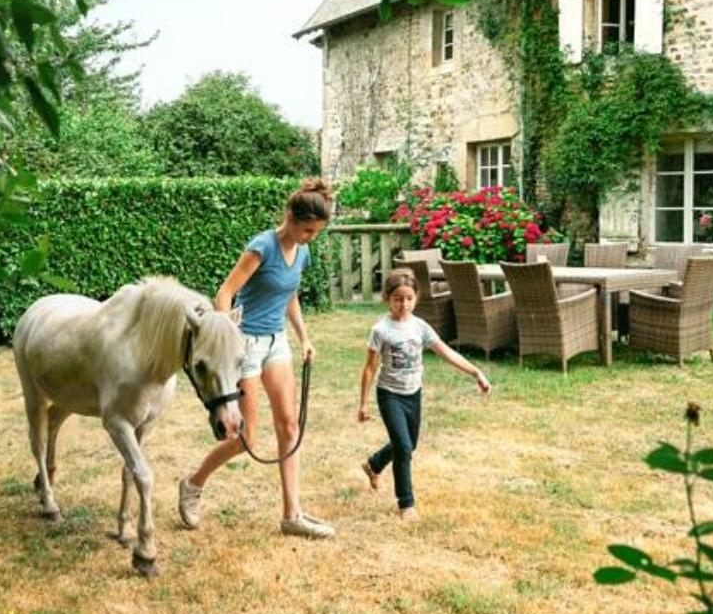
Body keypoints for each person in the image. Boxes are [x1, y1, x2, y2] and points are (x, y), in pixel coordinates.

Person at [178, 178, 336, 538]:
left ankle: (292, 515)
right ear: (292, 218)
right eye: (308, 230)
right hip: (245, 342)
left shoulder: (303, 250)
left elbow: (289, 294)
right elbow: (225, 293)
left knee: (289, 427)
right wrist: (226, 336)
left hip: (275, 341)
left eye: (316, 232)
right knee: (245, 438)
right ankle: (193, 483)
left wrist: (304, 337)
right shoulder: (261, 247)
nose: (311, 237)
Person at [358, 268, 491, 521]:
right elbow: (369, 368)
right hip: (390, 395)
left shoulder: (420, 327)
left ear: (416, 298)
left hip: (413, 394)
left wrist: (476, 373)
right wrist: (363, 403)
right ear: (388, 298)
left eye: (409, 298)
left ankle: (374, 464)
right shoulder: (381, 330)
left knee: (408, 445)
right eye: (398, 299)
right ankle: (406, 504)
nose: (404, 304)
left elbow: (446, 352)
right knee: (404, 447)